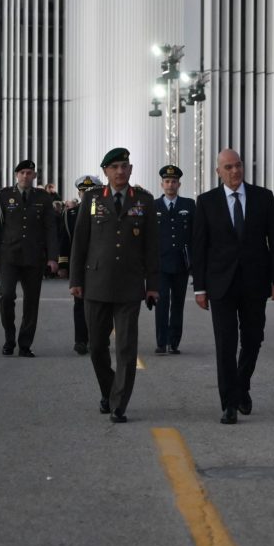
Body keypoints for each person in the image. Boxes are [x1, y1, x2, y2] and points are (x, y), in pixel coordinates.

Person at [192, 148, 274, 424]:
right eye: (228, 167)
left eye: (238, 166)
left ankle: (242, 384)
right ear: (218, 172)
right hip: (220, 284)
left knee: (253, 339)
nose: (235, 172)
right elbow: (199, 248)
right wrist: (200, 288)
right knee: (225, 343)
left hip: (255, 283)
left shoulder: (263, 197)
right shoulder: (207, 202)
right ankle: (229, 403)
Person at [69, 148, 159, 423]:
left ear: (130, 170)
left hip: (130, 285)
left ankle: (119, 403)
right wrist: (75, 280)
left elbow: (151, 247)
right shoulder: (93, 199)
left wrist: (152, 285)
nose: (120, 171)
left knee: (125, 348)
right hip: (96, 283)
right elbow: (80, 242)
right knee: (96, 346)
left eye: (124, 166)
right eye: (114, 167)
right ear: (105, 172)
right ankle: (109, 390)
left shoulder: (143, 200)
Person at [0, 160, 60, 357]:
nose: (25, 176)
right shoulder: (3, 195)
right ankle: (9, 338)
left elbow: (50, 229)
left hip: (34, 257)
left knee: (31, 302)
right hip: (9, 256)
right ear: (16, 175)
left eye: (29, 173)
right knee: (7, 296)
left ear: (34, 176)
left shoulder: (43, 197)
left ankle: (25, 343)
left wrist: (53, 258)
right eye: (22, 173)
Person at [154, 164, 195, 355]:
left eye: (174, 181)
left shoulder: (188, 205)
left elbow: (195, 235)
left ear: (179, 184)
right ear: (162, 184)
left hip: (180, 263)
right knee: (161, 304)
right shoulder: (154, 206)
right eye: (167, 181)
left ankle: (174, 342)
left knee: (178, 304)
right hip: (160, 264)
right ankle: (161, 342)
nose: (170, 185)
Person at [58, 175, 99, 354]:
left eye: (90, 191)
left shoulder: (105, 211)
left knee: (100, 304)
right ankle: (81, 340)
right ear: (79, 193)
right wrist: (63, 265)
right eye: (83, 191)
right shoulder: (70, 214)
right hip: (80, 265)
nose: (86, 194)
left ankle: (97, 339)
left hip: (101, 264)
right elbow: (65, 241)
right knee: (79, 303)